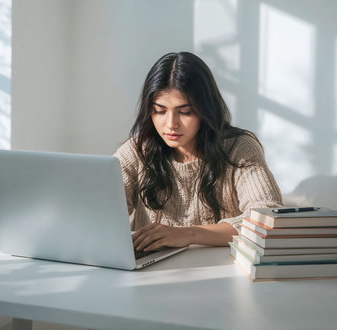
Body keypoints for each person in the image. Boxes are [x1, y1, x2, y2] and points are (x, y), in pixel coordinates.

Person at [115, 51, 283, 252]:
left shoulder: (239, 148)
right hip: (151, 272)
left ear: (205, 110)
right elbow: (100, 212)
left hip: (218, 271)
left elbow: (269, 217)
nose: (171, 124)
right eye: (159, 111)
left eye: (185, 112)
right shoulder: (136, 151)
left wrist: (189, 234)